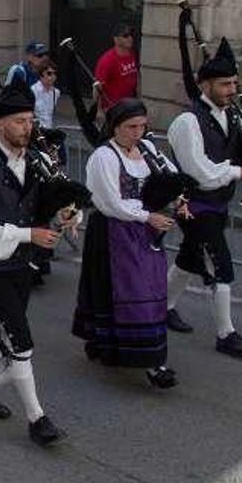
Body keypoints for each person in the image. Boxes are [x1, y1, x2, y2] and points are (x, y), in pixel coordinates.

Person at [0, 80, 72, 447]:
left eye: (30, 120)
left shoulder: (35, 163)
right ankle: (37, 418)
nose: (29, 127)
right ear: (2, 124)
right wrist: (30, 236)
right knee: (20, 337)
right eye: (21, 121)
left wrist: (67, 213)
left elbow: (51, 202)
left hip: (23, 264)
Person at [165, 38, 242, 356]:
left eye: (234, 83)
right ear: (204, 84)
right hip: (194, 205)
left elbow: (238, 153)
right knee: (221, 265)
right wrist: (238, 172)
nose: (231, 89)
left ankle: (162, 308)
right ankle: (226, 334)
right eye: (224, 84)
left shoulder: (231, 116)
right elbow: (200, 172)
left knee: (189, 258)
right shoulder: (187, 122)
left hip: (218, 204)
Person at [72, 98, 179, 388]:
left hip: (144, 232)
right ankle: (143, 359)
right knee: (111, 290)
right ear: (115, 127)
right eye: (131, 127)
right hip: (112, 231)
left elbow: (171, 177)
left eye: (142, 126)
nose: (138, 133)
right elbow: (111, 203)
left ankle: (149, 355)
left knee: (147, 289)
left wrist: (180, 200)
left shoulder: (148, 150)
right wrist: (148, 216)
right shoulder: (104, 157)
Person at [94, 23, 139, 111]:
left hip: (128, 106)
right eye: (125, 36)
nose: (130, 38)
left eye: (131, 35)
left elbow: (137, 78)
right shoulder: (107, 60)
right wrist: (98, 110)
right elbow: (97, 87)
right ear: (116, 39)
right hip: (112, 108)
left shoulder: (133, 54)